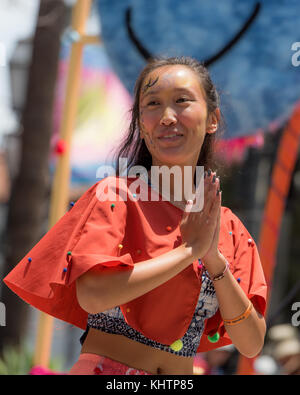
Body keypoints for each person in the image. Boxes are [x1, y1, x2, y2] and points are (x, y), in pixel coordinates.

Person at [3, 56, 267, 375]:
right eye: (153, 104)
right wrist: (189, 252)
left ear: (213, 118)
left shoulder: (227, 226)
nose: (167, 116)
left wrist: (215, 262)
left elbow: (251, 343)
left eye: (182, 100)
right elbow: (93, 295)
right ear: (142, 124)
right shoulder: (115, 197)